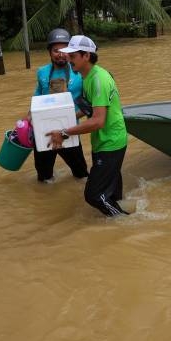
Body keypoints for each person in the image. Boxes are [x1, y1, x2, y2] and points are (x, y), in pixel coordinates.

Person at [47, 35, 130, 216]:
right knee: (113, 192)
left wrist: (64, 132)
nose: (68, 60)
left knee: (94, 195)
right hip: (105, 140)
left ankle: (125, 222)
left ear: (86, 56)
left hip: (110, 142)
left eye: (73, 56)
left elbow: (98, 121)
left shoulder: (99, 79)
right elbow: (89, 109)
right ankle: (121, 220)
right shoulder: (88, 76)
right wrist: (66, 121)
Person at [32, 28, 88, 184]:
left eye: (64, 49)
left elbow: (89, 104)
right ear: (50, 52)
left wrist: (72, 118)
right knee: (44, 179)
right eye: (56, 50)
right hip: (44, 132)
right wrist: (27, 121)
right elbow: (37, 99)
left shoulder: (79, 72)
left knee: (81, 175)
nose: (61, 54)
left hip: (68, 131)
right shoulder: (42, 72)